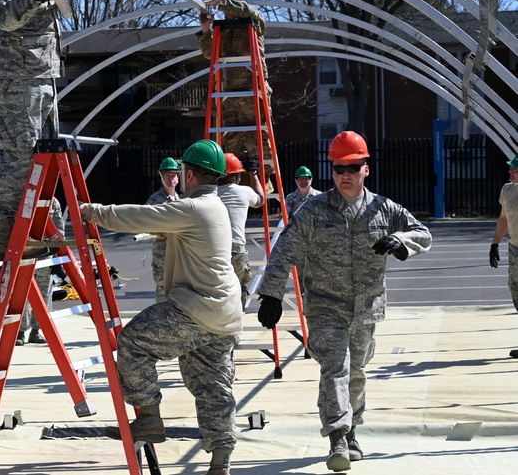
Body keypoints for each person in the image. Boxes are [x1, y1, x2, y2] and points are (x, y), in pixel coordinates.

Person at [256, 131, 431, 472]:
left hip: (366, 308)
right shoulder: (314, 211)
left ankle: (352, 432)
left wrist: (400, 240)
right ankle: (338, 435)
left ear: (367, 168)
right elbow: (284, 249)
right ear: (332, 170)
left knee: (357, 371)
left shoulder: (385, 208)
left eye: (353, 167)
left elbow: (423, 233)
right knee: (335, 367)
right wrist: (271, 295)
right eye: (339, 169)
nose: (345, 175)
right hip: (326, 306)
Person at [79, 140, 241, 475]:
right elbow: (161, 223)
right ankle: (221, 461)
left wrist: (93, 212)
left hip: (195, 309)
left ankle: (150, 418)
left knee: (133, 341)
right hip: (223, 313)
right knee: (213, 386)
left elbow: (142, 216)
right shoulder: (215, 205)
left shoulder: (192, 208)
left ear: (190, 174)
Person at [0, 0, 75, 261]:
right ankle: (7, 233)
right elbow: (5, 18)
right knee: (19, 156)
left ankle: (41, 226)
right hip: (17, 81)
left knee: (46, 155)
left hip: (43, 78)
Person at [197, 0, 272, 170]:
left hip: (252, 90)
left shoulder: (254, 22)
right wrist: (206, 30)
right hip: (229, 93)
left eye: (230, 2)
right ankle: (237, 179)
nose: (227, 11)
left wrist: (221, 1)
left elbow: (249, 10)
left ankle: (264, 176)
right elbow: (210, 53)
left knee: (257, 138)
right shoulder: (224, 29)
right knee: (231, 139)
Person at [217, 153, 265, 305]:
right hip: (236, 249)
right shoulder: (243, 192)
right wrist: (253, 174)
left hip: (214, 249)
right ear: (233, 178)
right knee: (239, 289)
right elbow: (260, 200)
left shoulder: (211, 194)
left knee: (218, 290)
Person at [18, 197, 65, 345]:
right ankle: (19, 332)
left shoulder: (53, 202)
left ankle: (36, 331)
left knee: (44, 293)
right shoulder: (24, 196)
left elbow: (59, 229)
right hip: (25, 252)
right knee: (22, 293)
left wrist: (57, 256)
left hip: (46, 254)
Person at [489, 154, 518, 358]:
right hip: (515, 248)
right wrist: (495, 244)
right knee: (516, 294)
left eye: (514, 168)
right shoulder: (507, 190)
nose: (510, 171)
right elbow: (503, 218)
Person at [146, 157, 181, 302]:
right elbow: (146, 222)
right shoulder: (155, 200)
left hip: (176, 253)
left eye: (173, 175)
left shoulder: (179, 199)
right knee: (163, 291)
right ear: (161, 178)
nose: (171, 179)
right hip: (162, 254)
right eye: (167, 176)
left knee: (176, 290)